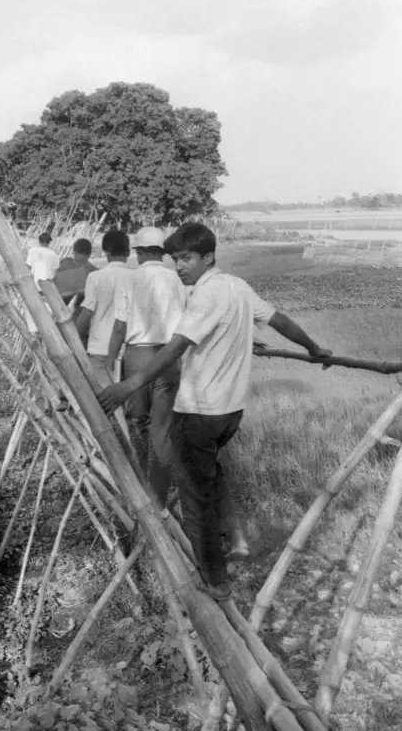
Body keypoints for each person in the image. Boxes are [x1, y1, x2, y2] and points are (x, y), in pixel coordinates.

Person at [97, 221, 331, 603]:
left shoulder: (206, 295)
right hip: (230, 412)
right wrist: (314, 347)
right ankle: (234, 541)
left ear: (209, 256)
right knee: (210, 474)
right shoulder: (235, 287)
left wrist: (129, 384)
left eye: (187, 258)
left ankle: (214, 579)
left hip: (201, 410)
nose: (180, 266)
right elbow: (278, 319)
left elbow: (174, 347)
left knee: (194, 497)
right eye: (175, 258)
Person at [105, 227, 187, 507]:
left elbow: (119, 326)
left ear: (139, 252)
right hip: (169, 356)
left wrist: (108, 362)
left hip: (138, 356)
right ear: (162, 252)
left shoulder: (130, 279)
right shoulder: (176, 279)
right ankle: (160, 493)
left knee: (137, 421)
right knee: (162, 428)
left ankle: (141, 486)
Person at [75, 229, 131, 387]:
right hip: (129, 348)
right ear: (128, 251)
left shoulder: (96, 277)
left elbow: (87, 312)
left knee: (105, 400)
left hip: (100, 348)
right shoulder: (137, 277)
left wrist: (74, 336)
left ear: (105, 251)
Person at [54, 238, 98, 323]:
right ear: (89, 254)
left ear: (74, 251)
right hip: (81, 321)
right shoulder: (94, 272)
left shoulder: (63, 264)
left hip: (58, 316)